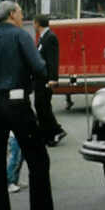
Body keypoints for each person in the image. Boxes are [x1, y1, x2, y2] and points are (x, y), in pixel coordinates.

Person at [0, 0, 69, 210]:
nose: (22, 16)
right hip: (16, 102)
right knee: (37, 159)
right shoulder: (20, 36)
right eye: (20, 12)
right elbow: (39, 67)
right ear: (13, 14)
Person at [33, 15, 67, 146]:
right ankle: (47, 133)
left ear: (37, 24)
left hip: (46, 79)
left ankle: (55, 131)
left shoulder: (50, 38)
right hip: (40, 79)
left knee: (43, 106)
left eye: (34, 23)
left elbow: (53, 60)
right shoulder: (42, 38)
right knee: (41, 106)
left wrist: (53, 78)